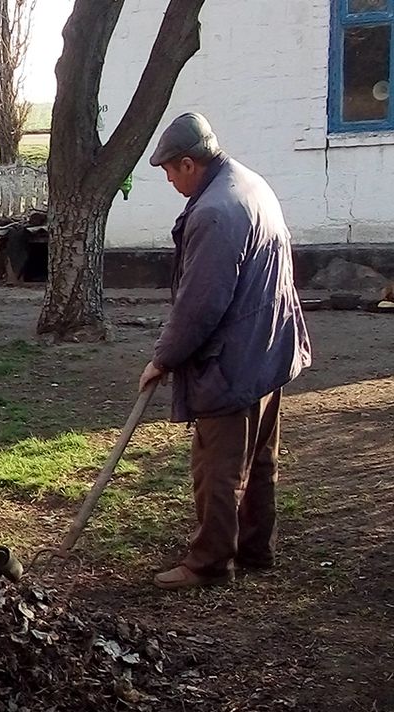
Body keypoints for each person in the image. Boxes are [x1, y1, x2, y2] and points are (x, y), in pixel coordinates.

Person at [138, 112, 312, 591]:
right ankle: (256, 547)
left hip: (234, 359)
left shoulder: (216, 211)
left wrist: (163, 358)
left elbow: (201, 302)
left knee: (217, 466)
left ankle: (210, 564)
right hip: (269, 347)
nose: (170, 180)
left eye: (170, 171)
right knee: (259, 458)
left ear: (190, 163)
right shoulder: (249, 183)